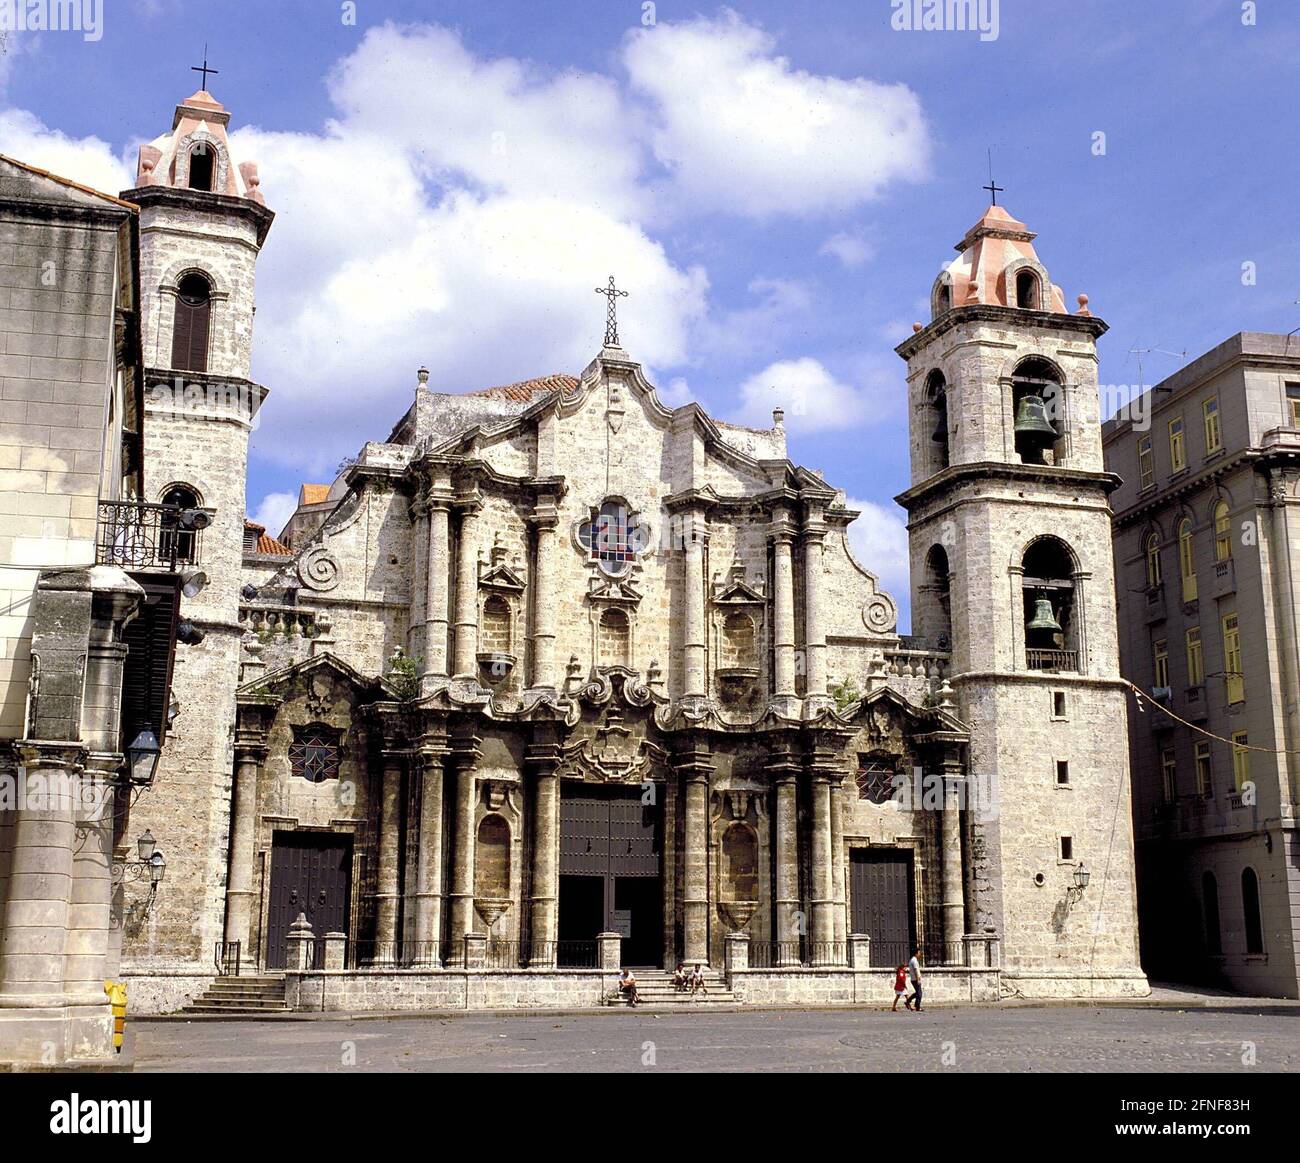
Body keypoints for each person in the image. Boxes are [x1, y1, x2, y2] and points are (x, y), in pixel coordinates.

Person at [905, 947, 923, 1012]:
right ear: (916, 953)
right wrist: (918, 979)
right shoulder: (914, 961)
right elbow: (915, 970)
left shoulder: (912, 960)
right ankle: (917, 1006)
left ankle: (908, 1002)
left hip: (913, 979)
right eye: (919, 952)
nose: (920, 954)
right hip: (915, 979)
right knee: (919, 994)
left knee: (917, 993)